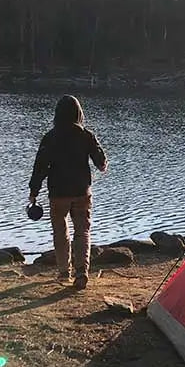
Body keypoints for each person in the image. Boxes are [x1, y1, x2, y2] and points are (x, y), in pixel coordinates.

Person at [29, 95, 107, 290]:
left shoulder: (50, 137)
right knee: (82, 231)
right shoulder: (86, 135)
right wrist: (101, 163)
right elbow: (101, 163)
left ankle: (64, 272)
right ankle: (81, 272)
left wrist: (33, 191)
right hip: (82, 191)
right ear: (79, 113)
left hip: (58, 192)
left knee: (60, 231)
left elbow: (40, 166)